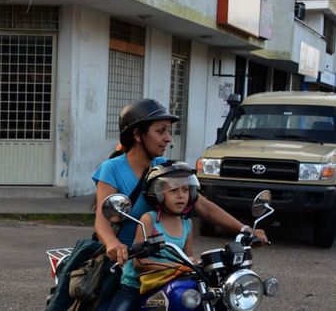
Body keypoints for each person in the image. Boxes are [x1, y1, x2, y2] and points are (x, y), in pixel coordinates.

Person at [92, 99, 267, 307]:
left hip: (167, 269)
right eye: (161, 131)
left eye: (169, 131)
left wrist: (244, 228)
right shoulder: (111, 169)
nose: (168, 139)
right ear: (138, 135)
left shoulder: (164, 169)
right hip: (124, 265)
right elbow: (102, 221)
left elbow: (201, 205)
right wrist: (114, 245)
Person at [104, 162, 199, 311]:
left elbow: (188, 258)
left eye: (186, 190)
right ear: (158, 194)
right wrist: (178, 267)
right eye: (174, 190)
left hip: (169, 283)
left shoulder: (187, 224)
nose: (181, 195)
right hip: (137, 285)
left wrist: (194, 263)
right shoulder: (149, 220)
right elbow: (139, 262)